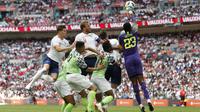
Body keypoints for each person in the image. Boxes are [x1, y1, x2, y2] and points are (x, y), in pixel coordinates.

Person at [118, 22, 154, 112]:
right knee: (142, 81)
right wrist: (132, 13)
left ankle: (141, 105)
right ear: (130, 28)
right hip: (136, 57)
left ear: (123, 29)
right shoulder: (134, 34)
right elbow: (136, 25)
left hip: (128, 59)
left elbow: (120, 48)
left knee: (134, 83)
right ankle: (148, 100)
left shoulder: (121, 37)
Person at [25, 25, 73, 90]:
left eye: (66, 31)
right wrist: (70, 47)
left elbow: (63, 53)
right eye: (64, 31)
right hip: (49, 58)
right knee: (45, 68)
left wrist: (63, 60)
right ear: (59, 32)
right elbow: (58, 49)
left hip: (56, 62)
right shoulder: (55, 39)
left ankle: (42, 76)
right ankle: (30, 84)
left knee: (53, 79)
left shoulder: (66, 42)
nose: (66, 32)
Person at [63, 41, 104, 112]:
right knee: (93, 88)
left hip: (67, 77)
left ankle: (87, 109)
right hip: (74, 75)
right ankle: (91, 109)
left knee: (83, 94)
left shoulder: (73, 51)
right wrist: (99, 68)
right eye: (83, 47)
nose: (85, 48)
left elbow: (87, 48)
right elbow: (88, 69)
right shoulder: (79, 58)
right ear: (80, 47)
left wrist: (98, 53)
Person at [91, 41, 116, 112]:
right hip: (99, 77)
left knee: (99, 100)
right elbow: (115, 63)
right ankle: (100, 104)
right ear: (109, 47)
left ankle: (100, 106)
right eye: (111, 45)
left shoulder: (100, 53)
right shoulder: (109, 56)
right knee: (111, 96)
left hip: (93, 77)